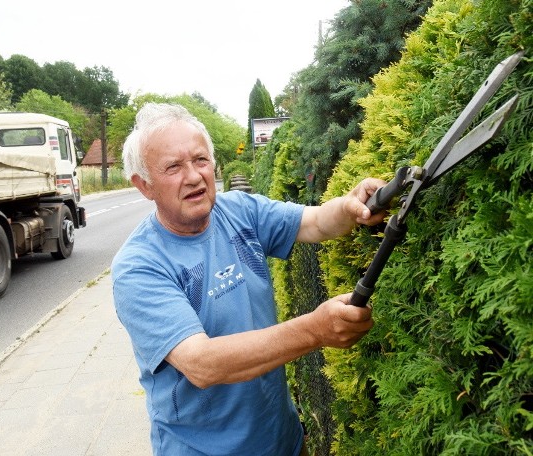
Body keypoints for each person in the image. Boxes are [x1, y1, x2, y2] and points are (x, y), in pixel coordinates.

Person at [111, 103, 386, 456]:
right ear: (144, 185)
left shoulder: (238, 211)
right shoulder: (139, 267)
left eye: (200, 160)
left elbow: (316, 222)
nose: (194, 176)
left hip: (282, 439)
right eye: (173, 167)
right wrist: (316, 330)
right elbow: (202, 363)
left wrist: (350, 206)